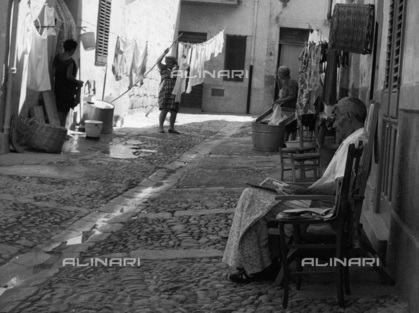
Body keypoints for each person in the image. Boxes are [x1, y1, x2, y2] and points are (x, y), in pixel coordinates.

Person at [223, 97, 368, 283]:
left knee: (251, 197)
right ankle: (258, 263)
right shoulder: (355, 139)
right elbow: (339, 183)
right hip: (321, 201)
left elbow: (339, 187)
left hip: (323, 206)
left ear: (349, 117)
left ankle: (258, 266)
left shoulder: (353, 142)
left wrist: (303, 191)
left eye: (337, 117)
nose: (333, 124)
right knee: (259, 193)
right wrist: (301, 189)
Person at [52, 39, 84, 128]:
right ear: (73, 49)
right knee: (64, 113)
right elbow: (69, 76)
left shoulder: (57, 57)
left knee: (58, 111)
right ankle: (61, 131)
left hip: (57, 88)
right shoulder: (70, 62)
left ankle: (58, 130)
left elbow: (53, 72)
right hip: (66, 91)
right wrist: (78, 82)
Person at [157, 48, 180, 134]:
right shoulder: (163, 68)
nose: (167, 63)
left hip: (175, 91)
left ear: (174, 63)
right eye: (167, 62)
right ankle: (160, 127)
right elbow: (158, 62)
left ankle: (172, 128)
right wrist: (164, 53)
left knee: (174, 110)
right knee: (164, 108)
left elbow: (186, 68)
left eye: (170, 62)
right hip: (165, 90)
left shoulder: (178, 69)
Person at [274, 66, 298, 141]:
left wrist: (281, 100)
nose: (278, 75)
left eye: (279, 74)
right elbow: (283, 93)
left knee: (292, 126)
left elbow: (292, 96)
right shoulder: (285, 82)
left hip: (292, 107)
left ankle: (291, 143)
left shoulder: (291, 83)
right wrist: (280, 100)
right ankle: (285, 141)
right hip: (286, 107)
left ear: (283, 74)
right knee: (287, 126)